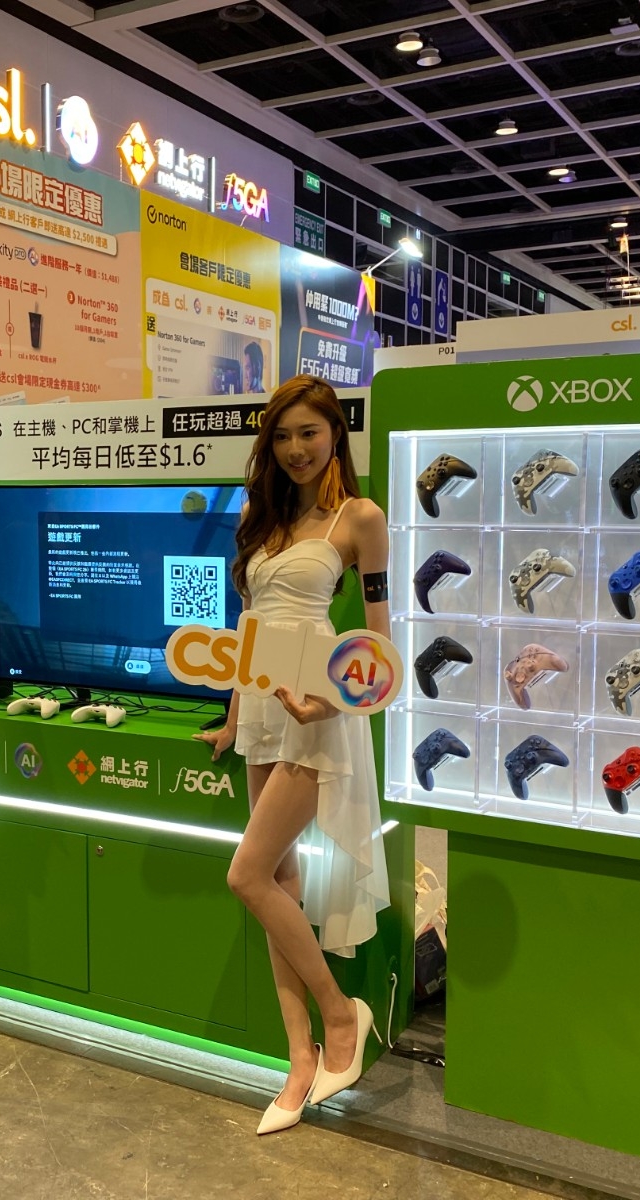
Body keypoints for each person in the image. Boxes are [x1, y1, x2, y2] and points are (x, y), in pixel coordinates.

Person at [195, 374, 391, 1136]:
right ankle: (299, 1058)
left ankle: (342, 1016)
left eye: (308, 432)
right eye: (281, 436)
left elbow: (378, 644)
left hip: (317, 705)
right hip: (261, 705)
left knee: (245, 874)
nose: (295, 449)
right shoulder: (262, 518)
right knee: (276, 879)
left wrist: (332, 703)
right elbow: (249, 625)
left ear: (335, 434)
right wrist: (231, 718)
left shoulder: (359, 519)